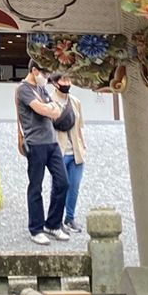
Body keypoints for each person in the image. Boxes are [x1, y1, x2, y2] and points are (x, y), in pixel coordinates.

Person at [15, 61, 73, 244]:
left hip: (52, 142)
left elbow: (55, 110)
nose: (46, 78)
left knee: (63, 182)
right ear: (34, 70)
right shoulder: (23, 89)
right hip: (35, 143)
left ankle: (53, 224)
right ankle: (36, 228)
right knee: (36, 186)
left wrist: (48, 109)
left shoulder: (41, 89)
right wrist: (48, 109)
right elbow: (41, 109)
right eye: (44, 74)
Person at [53, 74, 86, 232]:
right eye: (63, 80)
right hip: (59, 151)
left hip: (76, 151)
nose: (66, 83)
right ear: (55, 82)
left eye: (68, 80)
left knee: (75, 185)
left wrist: (83, 147)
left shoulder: (75, 102)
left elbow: (79, 127)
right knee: (59, 187)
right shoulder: (49, 101)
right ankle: (56, 220)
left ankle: (70, 217)